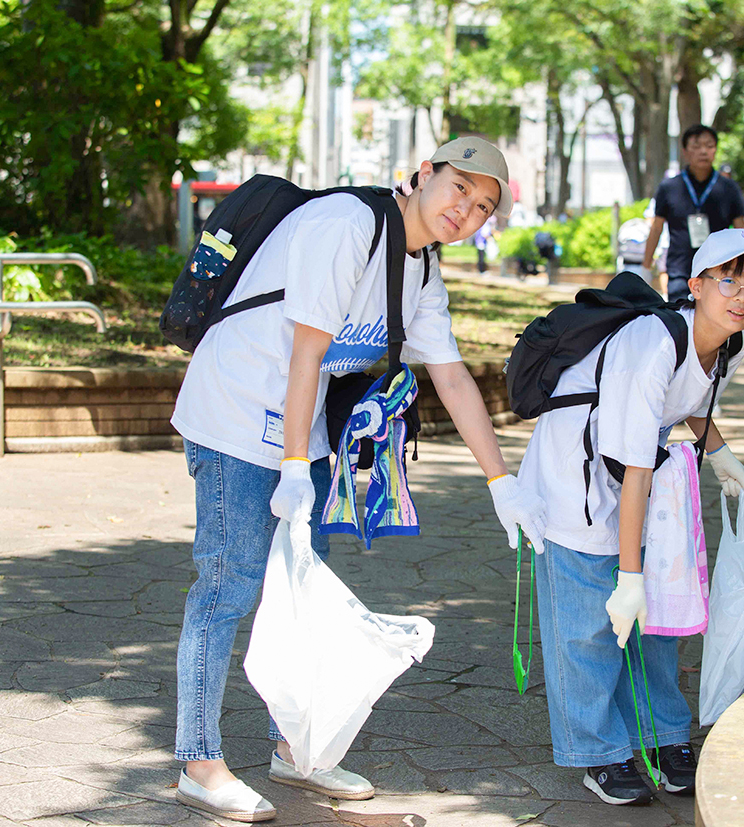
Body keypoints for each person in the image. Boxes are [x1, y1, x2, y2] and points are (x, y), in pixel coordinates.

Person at [169, 137, 548, 823]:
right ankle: (200, 762)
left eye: (485, 205)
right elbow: (308, 349)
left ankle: (299, 749)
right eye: (460, 188)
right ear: (425, 174)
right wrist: (291, 466)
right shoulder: (346, 224)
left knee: (302, 592)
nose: (468, 209)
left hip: (297, 426)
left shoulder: (422, 267)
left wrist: (501, 481)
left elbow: (453, 376)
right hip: (233, 411)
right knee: (228, 586)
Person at [518, 229, 744, 806]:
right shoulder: (653, 340)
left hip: (643, 474)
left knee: (658, 621)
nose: (742, 297)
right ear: (695, 286)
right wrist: (631, 573)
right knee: (589, 622)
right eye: (728, 281)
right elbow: (631, 465)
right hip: (578, 477)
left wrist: (718, 450)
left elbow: (686, 403)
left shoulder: (725, 344)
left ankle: (664, 738)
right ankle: (599, 750)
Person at [642, 125, 744, 303]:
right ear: (685, 151)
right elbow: (656, 228)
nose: (703, 151)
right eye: (696, 146)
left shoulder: (729, 188)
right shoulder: (669, 187)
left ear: (715, 150)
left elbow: (741, 231)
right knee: (680, 322)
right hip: (679, 272)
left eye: (709, 146)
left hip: (719, 271)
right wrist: (645, 268)